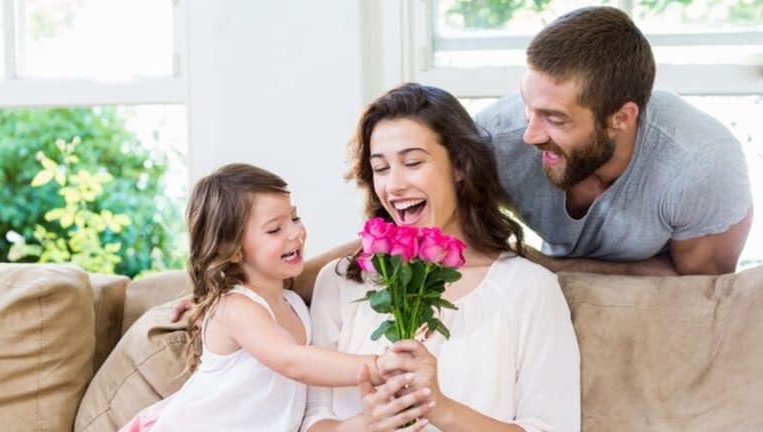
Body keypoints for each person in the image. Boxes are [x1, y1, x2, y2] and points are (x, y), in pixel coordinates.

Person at [301, 83, 580, 431]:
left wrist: (440, 408)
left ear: (460, 167)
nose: (394, 185)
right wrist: (364, 425)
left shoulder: (529, 288)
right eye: (381, 169)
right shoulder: (342, 281)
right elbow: (312, 421)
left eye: (413, 162)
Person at [122, 163, 415, 432]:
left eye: (295, 217)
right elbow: (293, 361)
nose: (295, 233)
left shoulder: (296, 305)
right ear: (233, 250)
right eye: (275, 229)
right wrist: (378, 366)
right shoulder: (234, 307)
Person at [475, 6, 753, 276]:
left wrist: (558, 270)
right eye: (527, 106)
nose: (530, 135)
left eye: (556, 119)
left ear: (621, 117)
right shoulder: (492, 140)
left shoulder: (702, 164)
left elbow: (701, 289)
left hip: (657, 308)